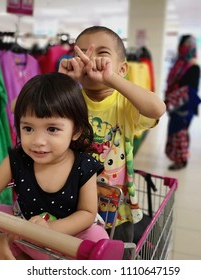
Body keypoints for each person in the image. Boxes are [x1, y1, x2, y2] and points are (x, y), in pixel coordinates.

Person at [0, 72, 109, 260]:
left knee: (97, 236)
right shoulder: (18, 159)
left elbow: (86, 213)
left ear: (75, 130)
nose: (38, 141)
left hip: (68, 243)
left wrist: (49, 230)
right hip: (24, 236)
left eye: (52, 129)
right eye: (28, 128)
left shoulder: (83, 165)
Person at [58, 26, 166, 244]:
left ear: (123, 68)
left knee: (117, 254)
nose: (92, 61)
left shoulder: (124, 103)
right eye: (84, 54)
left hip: (117, 211)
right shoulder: (69, 100)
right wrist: (63, 83)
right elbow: (22, 108)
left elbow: (157, 108)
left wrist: (111, 78)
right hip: (72, 207)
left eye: (102, 54)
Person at [164, 34, 201, 171]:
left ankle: (182, 159)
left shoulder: (193, 66)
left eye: (189, 45)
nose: (187, 48)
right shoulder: (179, 64)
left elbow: (191, 89)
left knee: (180, 133)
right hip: (175, 105)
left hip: (184, 106)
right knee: (177, 132)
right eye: (185, 45)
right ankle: (179, 157)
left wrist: (171, 98)